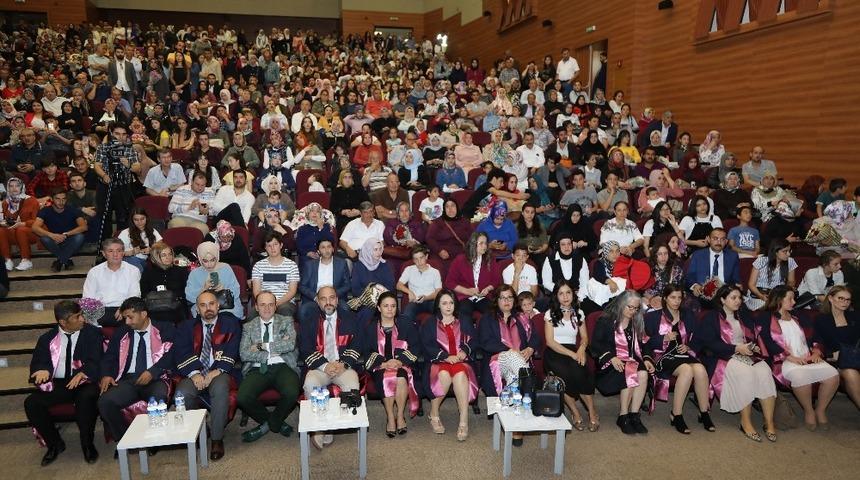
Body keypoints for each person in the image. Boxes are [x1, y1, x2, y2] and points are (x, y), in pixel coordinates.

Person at [694, 284, 777, 442]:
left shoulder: (744, 315)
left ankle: (769, 422)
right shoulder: (712, 317)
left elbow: (752, 336)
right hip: (723, 356)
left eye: (739, 298)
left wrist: (753, 346)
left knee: (765, 371)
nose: (738, 301)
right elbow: (709, 344)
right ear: (723, 299)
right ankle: (745, 422)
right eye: (733, 298)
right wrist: (736, 348)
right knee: (745, 374)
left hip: (746, 354)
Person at [25, 300, 102, 466]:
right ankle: (55, 444)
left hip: (84, 381)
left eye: (81, 314)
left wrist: (83, 373)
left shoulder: (92, 333)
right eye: (77, 317)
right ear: (63, 322)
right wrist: (42, 370)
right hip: (59, 383)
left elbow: (97, 360)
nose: (83, 319)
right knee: (32, 403)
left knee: (86, 397)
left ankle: (87, 444)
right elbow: (37, 363)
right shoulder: (47, 339)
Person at [98, 297, 175, 447]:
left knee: (158, 397)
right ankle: (125, 440)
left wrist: (153, 371)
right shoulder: (122, 333)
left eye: (130, 317)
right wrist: (106, 374)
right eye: (125, 317)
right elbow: (110, 357)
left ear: (144, 314)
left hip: (155, 377)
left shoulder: (165, 329)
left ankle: (157, 440)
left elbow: (172, 354)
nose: (127, 322)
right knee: (105, 402)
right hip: (128, 379)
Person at [174, 290, 242, 461]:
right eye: (203, 305)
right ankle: (202, 430)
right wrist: (195, 373)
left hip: (220, 371)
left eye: (211, 304)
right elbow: (181, 352)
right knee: (182, 393)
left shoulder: (231, 323)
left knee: (219, 388)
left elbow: (233, 350)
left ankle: (217, 439)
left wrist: (215, 372)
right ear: (197, 309)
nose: (208, 308)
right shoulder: (186, 327)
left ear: (218, 305)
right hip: (195, 371)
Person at [759, 286, 840, 430]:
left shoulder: (799, 315)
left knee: (833, 376)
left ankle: (820, 410)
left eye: (794, 298)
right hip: (783, 361)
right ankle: (809, 411)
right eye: (790, 298)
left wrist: (816, 351)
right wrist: (789, 357)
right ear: (779, 299)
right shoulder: (765, 317)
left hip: (807, 358)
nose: (794, 302)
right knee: (801, 377)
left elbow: (816, 336)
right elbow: (766, 341)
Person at [299, 285, 363, 450]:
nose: (328, 302)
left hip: (343, 366)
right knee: (310, 384)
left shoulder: (350, 318)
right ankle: (319, 427)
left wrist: (343, 363)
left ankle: (337, 424)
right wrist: (325, 365)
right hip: (320, 367)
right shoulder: (309, 321)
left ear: (337, 299)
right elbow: (305, 348)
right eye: (323, 298)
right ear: (318, 302)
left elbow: (357, 345)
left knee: (352, 385)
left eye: (332, 298)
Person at [644, 285, 714, 434]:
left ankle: (704, 412)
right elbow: (645, 342)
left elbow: (699, 338)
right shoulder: (653, 317)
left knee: (700, 369)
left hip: (683, 354)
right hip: (662, 356)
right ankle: (676, 414)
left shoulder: (688, 315)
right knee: (687, 370)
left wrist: (689, 347)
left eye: (679, 298)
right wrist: (663, 338)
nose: (676, 301)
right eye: (672, 297)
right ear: (665, 298)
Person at [478, 285, 541, 443]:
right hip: (497, 362)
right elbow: (486, 342)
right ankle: (530, 397)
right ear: (497, 301)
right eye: (502, 298)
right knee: (514, 359)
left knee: (515, 375)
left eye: (510, 297)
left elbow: (535, 337)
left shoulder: (521, 318)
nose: (506, 301)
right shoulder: (487, 318)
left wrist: (531, 348)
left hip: (519, 364)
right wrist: (511, 350)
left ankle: (516, 427)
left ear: (514, 300)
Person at [237, 291, 301, 442]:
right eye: (262, 305)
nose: (267, 308)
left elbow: (290, 344)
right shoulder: (249, 326)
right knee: (243, 397)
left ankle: (265, 426)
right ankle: (276, 423)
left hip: (282, 364)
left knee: (292, 391)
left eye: (271, 304)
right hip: (257, 367)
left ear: (276, 306)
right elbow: (244, 354)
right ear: (256, 308)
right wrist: (267, 353)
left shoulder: (286, 321)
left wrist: (260, 346)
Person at [591, 291, 655, 435]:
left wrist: (646, 358)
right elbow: (596, 344)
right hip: (611, 365)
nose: (632, 311)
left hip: (633, 361)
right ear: (621, 304)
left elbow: (646, 344)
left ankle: (634, 415)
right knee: (631, 370)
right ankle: (623, 416)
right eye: (629, 307)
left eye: (636, 308)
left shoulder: (637, 321)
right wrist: (611, 357)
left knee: (643, 373)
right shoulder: (606, 321)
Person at [421, 289, 479, 441]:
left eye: (451, 303)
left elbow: (474, 340)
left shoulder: (464, 320)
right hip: (439, 361)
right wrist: (445, 357)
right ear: (438, 305)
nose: (448, 306)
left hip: (461, 361)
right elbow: (426, 346)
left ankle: (464, 420)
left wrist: (464, 351)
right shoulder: (430, 322)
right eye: (444, 303)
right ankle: (434, 413)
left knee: (460, 374)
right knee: (444, 376)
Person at [542, 280, 599, 432]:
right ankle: (575, 412)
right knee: (565, 375)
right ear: (556, 296)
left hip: (574, 349)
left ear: (573, 294)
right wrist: (573, 354)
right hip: (555, 353)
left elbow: (585, 337)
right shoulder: (550, 314)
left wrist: (581, 349)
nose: (565, 297)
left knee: (581, 372)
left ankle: (592, 412)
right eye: (561, 293)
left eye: (568, 292)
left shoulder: (578, 313)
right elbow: (550, 342)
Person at [363, 292, 420, 437]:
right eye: (386, 306)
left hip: (401, 365)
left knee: (400, 378)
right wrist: (383, 363)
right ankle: (390, 417)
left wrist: (400, 361)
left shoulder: (405, 324)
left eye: (393, 306)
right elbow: (366, 351)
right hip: (380, 367)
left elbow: (416, 347)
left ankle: (400, 415)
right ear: (379, 308)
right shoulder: (370, 327)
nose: (390, 309)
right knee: (386, 378)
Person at [93, 124, 140, 240]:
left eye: (124, 134)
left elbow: (137, 168)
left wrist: (127, 163)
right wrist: (104, 175)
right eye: (117, 134)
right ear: (111, 133)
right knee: (104, 216)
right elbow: (97, 165)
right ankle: (105, 244)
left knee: (124, 217)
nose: (120, 137)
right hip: (105, 186)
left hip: (124, 186)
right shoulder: (103, 148)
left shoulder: (130, 149)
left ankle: (123, 242)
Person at [816, 286, 860, 409]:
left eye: (848, 300)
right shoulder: (822, 319)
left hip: (855, 357)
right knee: (850, 373)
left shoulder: (855, 317)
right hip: (835, 361)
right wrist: (830, 354)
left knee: (851, 371)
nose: (845, 302)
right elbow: (817, 341)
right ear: (830, 298)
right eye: (841, 298)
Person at [82, 238, 141, 326]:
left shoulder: (133, 270)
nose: (115, 254)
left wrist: (124, 308)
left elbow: (134, 294)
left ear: (123, 253)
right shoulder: (94, 272)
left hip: (124, 309)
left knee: (133, 316)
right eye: (110, 251)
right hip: (101, 310)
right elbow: (88, 298)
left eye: (119, 251)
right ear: (104, 254)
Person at [445, 232, 501, 319]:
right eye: (481, 243)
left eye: (486, 243)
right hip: (464, 297)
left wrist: (488, 289)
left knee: (492, 314)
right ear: (473, 244)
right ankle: (468, 333)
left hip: (483, 297)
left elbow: (496, 280)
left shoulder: (490, 259)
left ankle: (486, 332)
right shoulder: (460, 260)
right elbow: (449, 282)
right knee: (463, 313)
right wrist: (467, 291)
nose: (485, 246)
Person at [31, 189, 88, 272]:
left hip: (71, 240)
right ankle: (67, 260)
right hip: (55, 240)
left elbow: (84, 227)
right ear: (52, 199)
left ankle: (59, 261)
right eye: (57, 199)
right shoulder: (45, 210)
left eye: (63, 199)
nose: (61, 202)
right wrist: (52, 235)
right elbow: (34, 227)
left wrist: (66, 234)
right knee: (44, 239)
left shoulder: (72, 209)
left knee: (80, 237)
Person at [185, 242, 244, 319]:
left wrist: (223, 289)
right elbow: (189, 297)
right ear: (200, 259)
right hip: (205, 310)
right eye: (205, 261)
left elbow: (236, 292)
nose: (209, 264)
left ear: (217, 257)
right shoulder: (195, 273)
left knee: (226, 322)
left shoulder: (226, 268)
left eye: (212, 260)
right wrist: (204, 289)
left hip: (227, 309)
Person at [251, 231, 300, 318]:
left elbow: (292, 291)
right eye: (269, 245)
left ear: (281, 245)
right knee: (252, 315)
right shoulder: (258, 266)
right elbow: (257, 291)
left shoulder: (291, 265)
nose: (272, 248)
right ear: (265, 248)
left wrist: (275, 304)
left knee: (285, 310)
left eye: (275, 244)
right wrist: (267, 304)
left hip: (285, 302)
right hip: (264, 302)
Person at [298, 238, 351, 318]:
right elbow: (302, 286)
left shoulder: (342, 263)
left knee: (345, 308)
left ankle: (343, 331)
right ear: (318, 251)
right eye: (323, 247)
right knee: (304, 311)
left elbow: (347, 285)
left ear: (333, 249)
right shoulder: (310, 265)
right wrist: (315, 297)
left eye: (329, 247)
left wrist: (334, 295)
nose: (326, 250)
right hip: (315, 298)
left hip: (335, 298)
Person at [685, 228, 741, 303]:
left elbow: (735, 279)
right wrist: (695, 286)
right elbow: (690, 276)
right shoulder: (698, 255)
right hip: (702, 295)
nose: (719, 242)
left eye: (722, 239)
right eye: (715, 238)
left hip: (724, 296)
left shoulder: (732, 256)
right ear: (708, 239)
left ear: (726, 241)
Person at [140, 241, 189, 324]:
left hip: (176, 309)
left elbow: (185, 293)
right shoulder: (148, 272)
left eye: (170, 254)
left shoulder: (180, 271)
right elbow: (144, 293)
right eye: (164, 255)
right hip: (154, 309)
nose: (168, 257)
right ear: (155, 257)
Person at [0, 177, 40, 271]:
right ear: (7, 188)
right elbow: (5, 220)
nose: (14, 188)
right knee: (1, 230)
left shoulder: (32, 200)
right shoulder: (5, 203)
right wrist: (4, 223)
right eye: (11, 186)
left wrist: (22, 224)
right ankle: (7, 260)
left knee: (20, 229)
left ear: (22, 187)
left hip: (31, 232)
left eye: (17, 186)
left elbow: (37, 221)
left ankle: (26, 260)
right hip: (13, 232)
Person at [746, 239, 797, 310]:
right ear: (775, 251)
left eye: (789, 251)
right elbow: (751, 284)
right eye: (785, 251)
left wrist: (782, 294)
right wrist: (761, 296)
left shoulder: (790, 261)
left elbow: (791, 282)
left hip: (778, 295)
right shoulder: (762, 261)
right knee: (769, 307)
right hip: (760, 294)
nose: (788, 254)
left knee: (784, 306)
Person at [397, 245, 442, 320]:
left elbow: (438, 292)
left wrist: (425, 298)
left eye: (421, 258)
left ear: (426, 256)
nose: (419, 261)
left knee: (442, 314)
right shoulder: (409, 269)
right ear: (413, 260)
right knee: (406, 317)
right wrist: (409, 292)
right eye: (416, 259)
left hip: (431, 300)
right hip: (415, 301)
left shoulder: (435, 272)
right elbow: (398, 285)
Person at [117, 207, 162, 272]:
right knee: (133, 261)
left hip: (143, 261)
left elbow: (161, 246)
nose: (139, 222)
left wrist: (151, 250)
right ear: (132, 220)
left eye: (142, 219)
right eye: (136, 220)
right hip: (127, 260)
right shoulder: (125, 233)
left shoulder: (152, 230)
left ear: (146, 218)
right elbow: (116, 252)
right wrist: (132, 252)